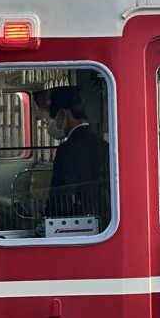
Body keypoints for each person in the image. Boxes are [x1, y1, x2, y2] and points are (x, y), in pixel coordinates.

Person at [46, 86, 110, 224]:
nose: (52, 123)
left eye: (53, 117)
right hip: (104, 218)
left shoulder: (66, 150)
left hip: (76, 222)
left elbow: (60, 198)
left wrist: (48, 220)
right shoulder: (104, 145)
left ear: (63, 114)